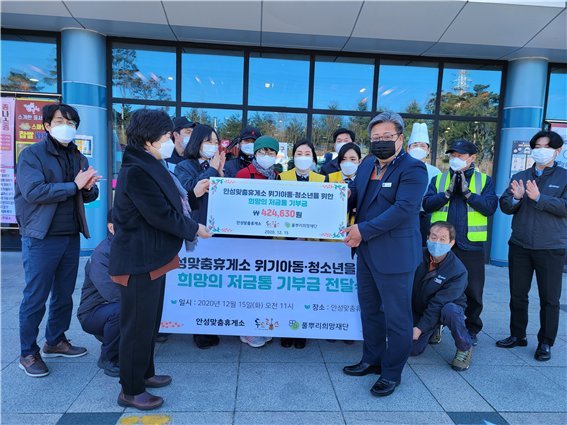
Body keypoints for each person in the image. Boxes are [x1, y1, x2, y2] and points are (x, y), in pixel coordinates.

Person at [110, 109, 211, 410]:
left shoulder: (152, 163)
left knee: (149, 323)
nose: (171, 141)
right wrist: (194, 228)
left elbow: (172, 203)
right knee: (136, 327)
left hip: (153, 258)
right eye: (167, 136)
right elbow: (161, 215)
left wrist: (192, 203)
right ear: (149, 138)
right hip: (138, 262)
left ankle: (145, 374)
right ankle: (130, 388)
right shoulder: (137, 170)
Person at [342, 112, 427, 397]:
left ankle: (391, 373)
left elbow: (403, 210)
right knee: (370, 310)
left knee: (397, 317)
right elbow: (353, 194)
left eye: (386, 137)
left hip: (395, 254)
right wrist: (332, 198)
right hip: (366, 252)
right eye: (375, 138)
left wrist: (363, 230)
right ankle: (371, 359)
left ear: (400, 138)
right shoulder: (367, 164)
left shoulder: (413, 169)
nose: (380, 142)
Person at [15, 103, 100, 378]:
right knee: (36, 296)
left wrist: (88, 188)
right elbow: (33, 191)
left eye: (73, 123)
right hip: (40, 236)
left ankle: (55, 341)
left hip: (69, 234)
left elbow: (88, 195)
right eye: (62, 120)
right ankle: (27, 352)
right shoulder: (32, 155)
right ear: (47, 125)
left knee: (64, 294)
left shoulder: (78, 156)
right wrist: (75, 185)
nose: (68, 126)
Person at [497, 130, 567, 361]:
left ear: (557, 150)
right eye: (537, 146)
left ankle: (546, 342)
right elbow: (506, 206)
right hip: (520, 245)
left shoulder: (564, 177)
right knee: (518, 295)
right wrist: (516, 198)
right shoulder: (521, 175)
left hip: (550, 247)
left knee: (549, 299)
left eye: (545, 146)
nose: (540, 150)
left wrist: (539, 198)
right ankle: (517, 335)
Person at [422, 139, 498, 347]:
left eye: (461, 155)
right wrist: (445, 194)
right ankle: (434, 326)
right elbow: (427, 204)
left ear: (472, 158)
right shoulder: (440, 179)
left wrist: (468, 194)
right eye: (452, 155)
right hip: (441, 246)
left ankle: (471, 329)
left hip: (470, 245)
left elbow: (490, 207)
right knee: (434, 287)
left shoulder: (484, 181)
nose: (455, 159)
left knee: (473, 290)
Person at [175, 124, 224, 349]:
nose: (213, 146)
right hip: (195, 229)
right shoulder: (184, 166)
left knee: (217, 281)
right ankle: (199, 329)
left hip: (218, 230)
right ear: (197, 142)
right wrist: (212, 171)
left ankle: (215, 323)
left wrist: (221, 173)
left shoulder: (219, 165)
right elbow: (188, 191)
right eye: (208, 141)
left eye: (215, 142)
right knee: (199, 281)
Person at [277, 139, 326, 349]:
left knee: (305, 289)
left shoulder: (322, 180)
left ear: (313, 158)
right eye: (299, 153)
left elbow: (325, 212)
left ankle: (302, 330)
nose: (303, 157)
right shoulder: (282, 177)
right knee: (285, 288)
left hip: (311, 244)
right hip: (286, 243)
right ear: (293, 156)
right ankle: (285, 331)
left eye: (307, 153)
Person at [236, 135, 280, 348]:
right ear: (255, 153)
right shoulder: (244, 174)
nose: (266, 156)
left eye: (271, 152)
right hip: (248, 239)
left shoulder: (277, 176)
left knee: (265, 285)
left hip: (269, 239)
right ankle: (248, 330)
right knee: (249, 285)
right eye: (263, 152)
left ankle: (263, 326)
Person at [411, 222, 473, 372]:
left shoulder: (458, 271)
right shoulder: (414, 254)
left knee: (450, 310)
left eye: (443, 239)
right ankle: (434, 328)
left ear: (451, 243)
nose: (437, 242)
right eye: (434, 237)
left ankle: (464, 347)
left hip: (443, 308)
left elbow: (439, 303)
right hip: (419, 306)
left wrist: (419, 328)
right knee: (411, 350)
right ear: (427, 238)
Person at [77, 209, 120, 377]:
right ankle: (108, 358)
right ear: (111, 228)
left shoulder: (127, 248)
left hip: (111, 306)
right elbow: (112, 293)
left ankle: (117, 342)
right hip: (93, 312)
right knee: (123, 310)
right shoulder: (102, 253)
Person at [407, 123, 441, 246]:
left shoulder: (436, 172)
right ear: (408, 149)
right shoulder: (400, 170)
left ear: (428, 150)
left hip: (427, 218)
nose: (418, 148)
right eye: (415, 145)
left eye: (422, 146)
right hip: (405, 217)